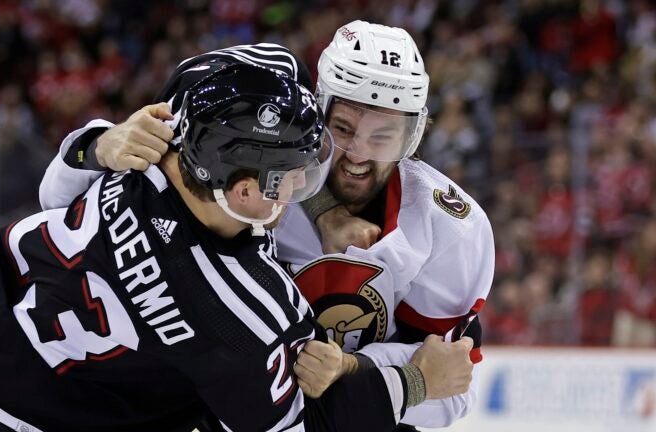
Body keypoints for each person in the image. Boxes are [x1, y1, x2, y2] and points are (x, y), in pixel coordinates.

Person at [0, 62, 473, 432]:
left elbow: (52, 195)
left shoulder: (151, 142)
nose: (309, 188)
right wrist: (416, 381)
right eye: (293, 179)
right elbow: (301, 423)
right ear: (244, 192)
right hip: (35, 418)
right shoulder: (241, 309)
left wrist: (96, 144)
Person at [39, 23, 494, 429]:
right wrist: (98, 146)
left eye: (383, 136)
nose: (357, 153)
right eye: (344, 127)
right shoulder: (238, 156)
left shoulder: (450, 227)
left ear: (412, 136)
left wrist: (352, 369)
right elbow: (60, 204)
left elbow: (451, 380)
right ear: (317, 110)